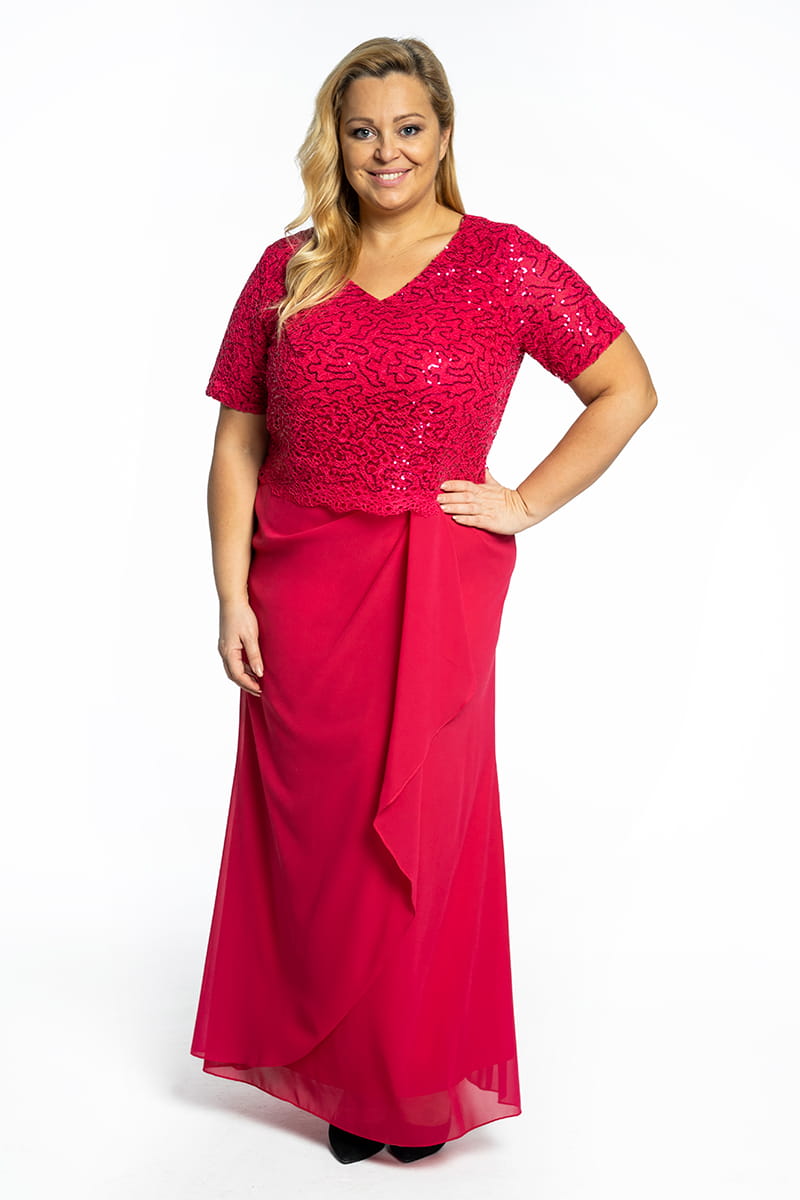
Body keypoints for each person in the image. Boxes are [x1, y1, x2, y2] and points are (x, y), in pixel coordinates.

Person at [190, 35, 657, 1166]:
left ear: (443, 135)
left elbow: (625, 388)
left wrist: (525, 502)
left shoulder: (503, 263)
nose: (385, 151)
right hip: (298, 582)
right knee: (320, 839)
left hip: (431, 584)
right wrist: (230, 593)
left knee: (417, 832)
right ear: (335, 141)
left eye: (407, 127)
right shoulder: (290, 266)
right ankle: (341, 1073)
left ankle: (403, 1080)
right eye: (362, 130)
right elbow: (237, 444)